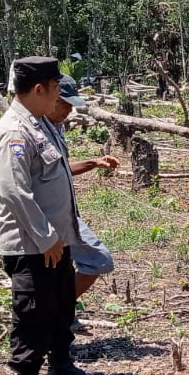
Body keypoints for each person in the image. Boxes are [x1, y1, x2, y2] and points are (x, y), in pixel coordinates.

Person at [0, 56, 105, 375]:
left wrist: (59, 236)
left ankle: (62, 366)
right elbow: (12, 191)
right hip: (32, 245)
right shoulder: (14, 132)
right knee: (34, 314)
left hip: (56, 240)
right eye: (55, 90)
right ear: (38, 89)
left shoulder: (39, 123)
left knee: (60, 307)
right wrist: (45, 237)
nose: (59, 99)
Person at [43, 74, 118, 302]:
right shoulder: (32, 131)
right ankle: (60, 311)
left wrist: (94, 163)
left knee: (92, 261)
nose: (68, 110)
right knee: (97, 258)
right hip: (47, 218)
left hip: (65, 215)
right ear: (50, 98)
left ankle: (62, 310)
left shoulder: (56, 127)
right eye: (65, 104)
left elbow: (61, 169)